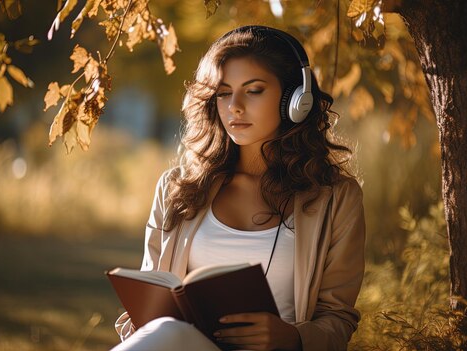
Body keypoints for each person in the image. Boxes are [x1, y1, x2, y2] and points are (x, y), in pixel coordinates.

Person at [112, 25, 365, 351]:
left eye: (254, 90)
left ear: (295, 101)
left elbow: (337, 320)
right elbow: (145, 302)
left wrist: (292, 337)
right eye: (223, 93)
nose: (235, 106)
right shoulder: (177, 189)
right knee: (167, 332)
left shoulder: (337, 198)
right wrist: (141, 321)